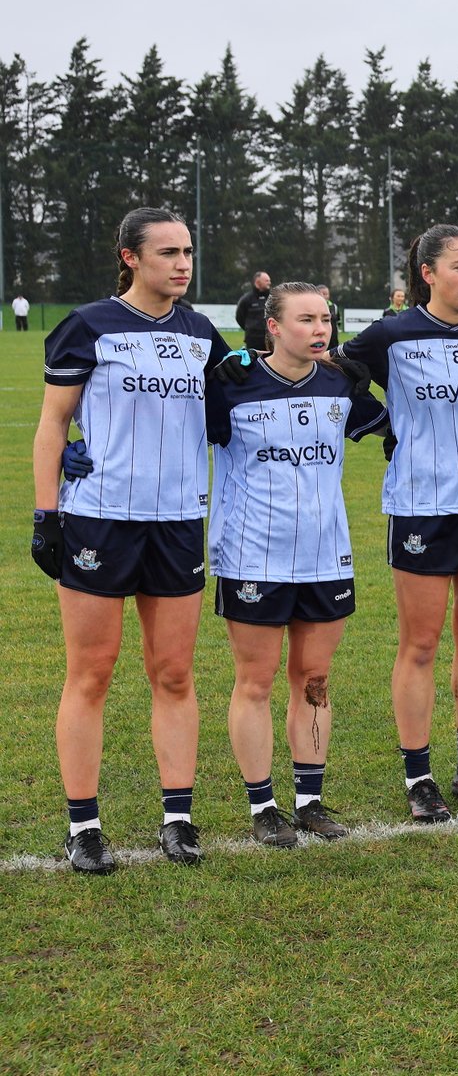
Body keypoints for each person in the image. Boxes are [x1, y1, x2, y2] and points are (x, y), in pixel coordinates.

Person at [33, 207, 251, 873]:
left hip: (180, 520)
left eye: (187, 251)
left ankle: (178, 820)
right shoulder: (88, 325)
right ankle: (84, 826)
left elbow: (224, 416)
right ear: (131, 257)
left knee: (175, 673)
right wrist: (47, 514)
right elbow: (52, 424)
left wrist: (253, 368)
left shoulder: (200, 334)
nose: (182, 264)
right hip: (100, 519)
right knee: (92, 672)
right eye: (167, 253)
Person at [334, 223, 458, 821]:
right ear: (428, 273)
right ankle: (418, 775)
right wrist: (380, 427)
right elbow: (337, 377)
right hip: (421, 505)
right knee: (420, 643)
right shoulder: (393, 334)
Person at [207, 283, 385, 846]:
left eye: (325, 320)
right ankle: (263, 806)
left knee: (314, 680)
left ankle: (309, 800)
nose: (320, 329)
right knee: (255, 682)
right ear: (273, 327)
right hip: (252, 554)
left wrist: (376, 391)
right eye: (305, 319)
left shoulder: (339, 382)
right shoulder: (232, 383)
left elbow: (398, 429)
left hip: (325, 554)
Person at [236, 270, 272, 352]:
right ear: (257, 282)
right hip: (253, 341)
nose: (269, 283)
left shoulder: (273, 298)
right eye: (266, 281)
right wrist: (251, 329)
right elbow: (240, 317)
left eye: (269, 280)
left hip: (271, 339)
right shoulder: (246, 299)